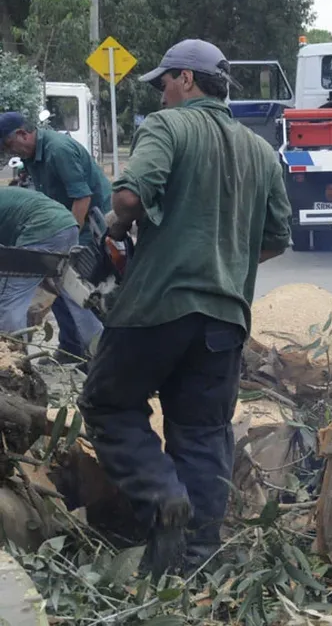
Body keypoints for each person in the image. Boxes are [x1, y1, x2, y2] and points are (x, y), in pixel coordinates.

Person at [77, 39, 293, 578]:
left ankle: (161, 496)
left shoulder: (167, 127)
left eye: (165, 82)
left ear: (188, 81)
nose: (163, 93)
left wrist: (119, 230)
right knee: (201, 435)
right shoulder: (261, 152)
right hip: (225, 317)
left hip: (157, 304)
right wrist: (225, 258)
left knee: (108, 403)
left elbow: (128, 197)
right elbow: (276, 238)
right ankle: (196, 564)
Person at [0, 111, 111, 361]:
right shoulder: (31, 157)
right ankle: (77, 352)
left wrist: (66, 244)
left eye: (9, 145)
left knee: (14, 296)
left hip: (85, 223)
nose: (10, 153)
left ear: (23, 133)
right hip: (58, 222)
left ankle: (11, 364)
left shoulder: (58, 149)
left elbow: (82, 197)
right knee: (66, 290)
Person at [0, 187, 103, 347]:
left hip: (42, 228)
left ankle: (11, 360)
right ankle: (99, 350)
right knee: (73, 293)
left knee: (10, 296)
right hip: (66, 225)